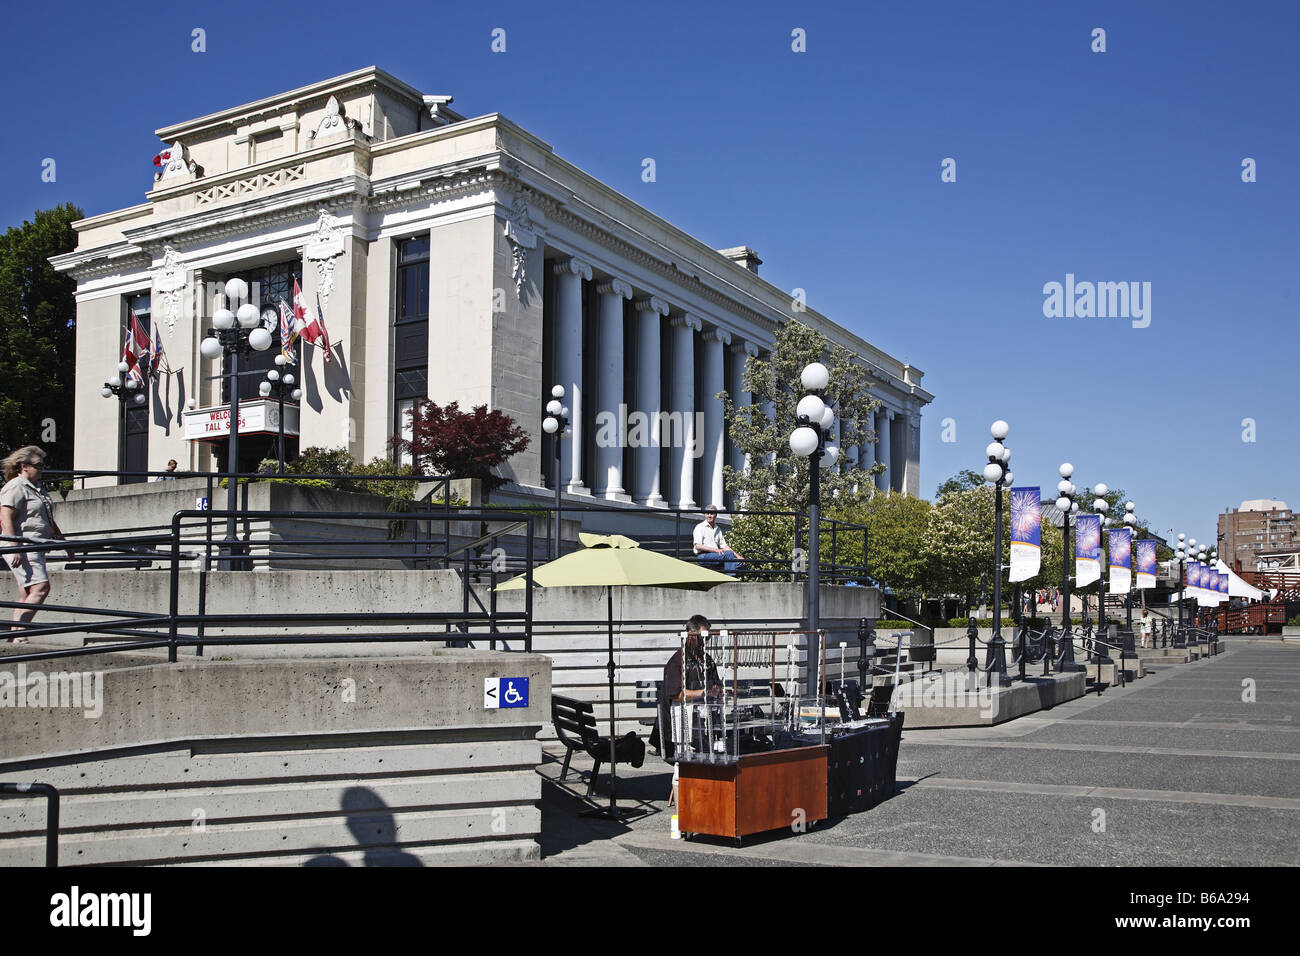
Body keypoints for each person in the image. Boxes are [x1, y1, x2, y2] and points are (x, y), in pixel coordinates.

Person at [1, 446, 73, 643]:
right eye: (38, 465)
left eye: (43, 465)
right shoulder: (16, 486)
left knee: (26, 592)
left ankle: (17, 636)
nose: (42, 469)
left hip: (36, 545)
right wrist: (14, 545)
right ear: (24, 466)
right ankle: (19, 634)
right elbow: (5, 516)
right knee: (41, 587)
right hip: (23, 545)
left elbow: (47, 519)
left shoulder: (37, 487)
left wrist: (65, 543)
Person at [651, 614, 724, 761]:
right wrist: (702, 693)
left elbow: (716, 683)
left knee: (705, 761)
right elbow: (675, 694)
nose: (705, 642)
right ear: (690, 636)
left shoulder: (707, 660)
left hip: (703, 722)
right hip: (681, 725)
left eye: (707, 638)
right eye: (702, 637)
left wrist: (719, 692)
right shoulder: (677, 662)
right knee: (682, 767)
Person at [692, 505, 744, 575]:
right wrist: (716, 550)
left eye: (712, 513)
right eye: (707, 514)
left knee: (740, 562)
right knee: (729, 555)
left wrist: (738, 556)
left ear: (716, 515)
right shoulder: (700, 527)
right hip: (703, 556)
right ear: (705, 515)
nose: (709, 516)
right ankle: (730, 579)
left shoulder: (717, 528)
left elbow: (725, 546)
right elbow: (698, 546)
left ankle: (729, 576)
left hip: (716, 555)